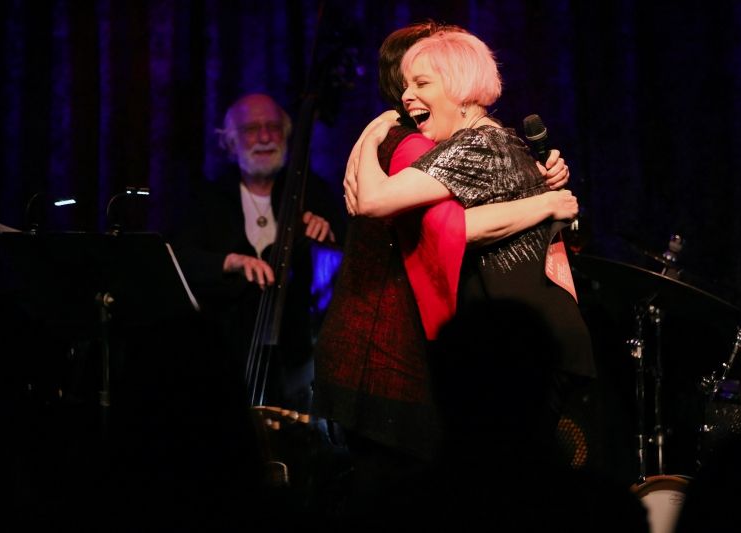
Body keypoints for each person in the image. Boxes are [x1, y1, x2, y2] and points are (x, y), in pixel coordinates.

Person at [311, 22, 574, 520]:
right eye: (409, 82)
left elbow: (444, 226)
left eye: (424, 81)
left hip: (505, 345)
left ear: (458, 84)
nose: (411, 94)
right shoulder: (432, 145)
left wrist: (370, 133)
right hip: (398, 360)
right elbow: (445, 225)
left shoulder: (469, 144)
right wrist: (546, 200)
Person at [171, 92, 343, 414]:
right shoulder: (209, 198)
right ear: (230, 142)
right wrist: (228, 262)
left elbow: (344, 260)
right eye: (251, 129)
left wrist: (326, 238)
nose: (265, 137)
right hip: (225, 356)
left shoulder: (313, 192)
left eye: (273, 127)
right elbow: (180, 259)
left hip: (299, 356)